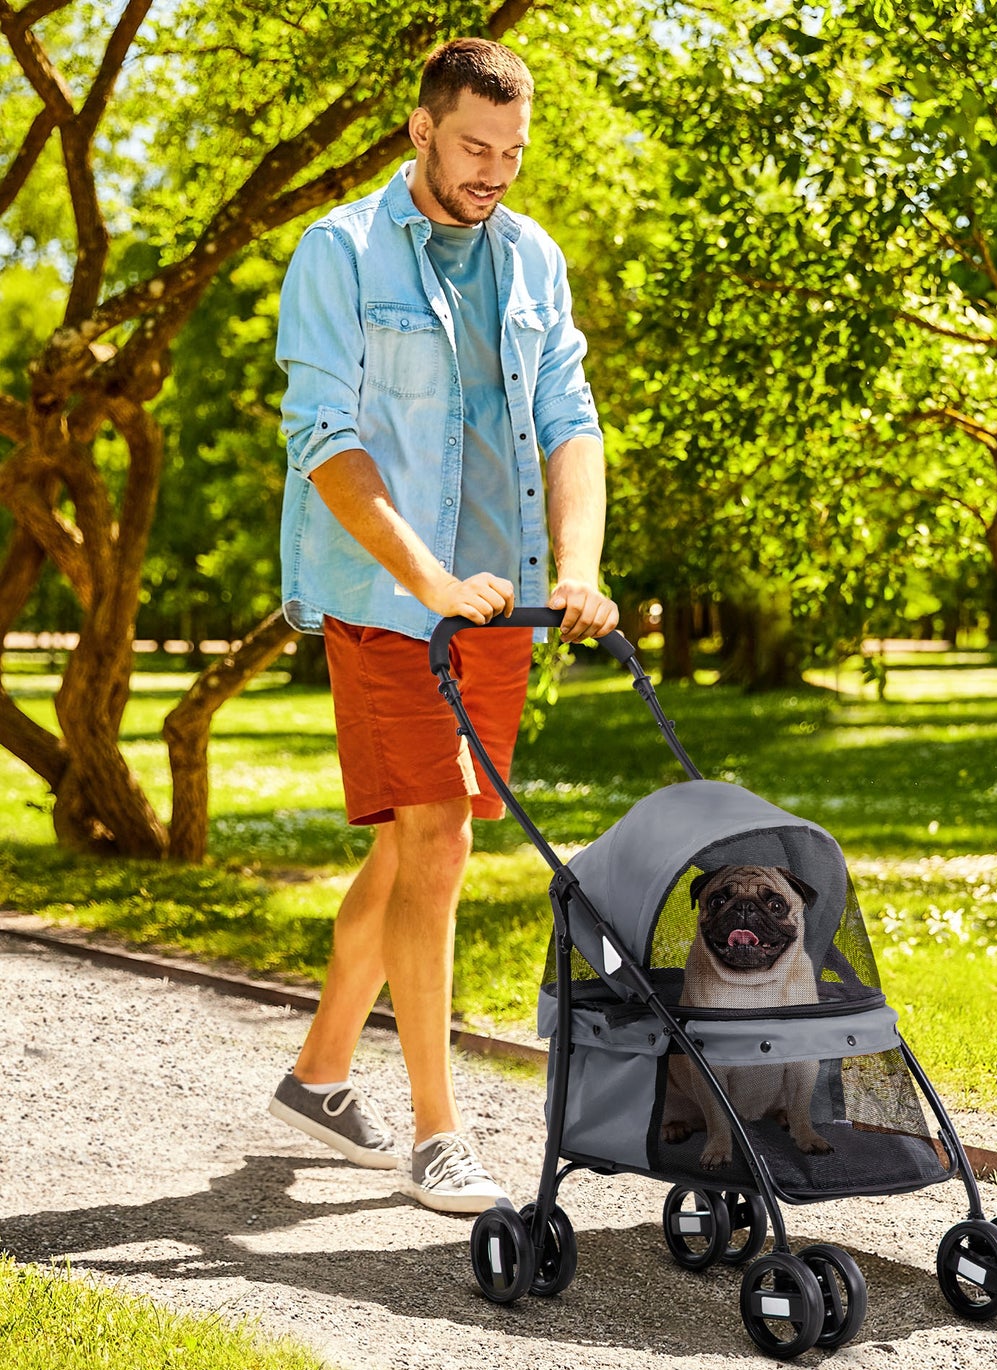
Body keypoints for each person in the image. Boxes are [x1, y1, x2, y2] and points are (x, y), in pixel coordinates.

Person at [267, 37, 619, 1213]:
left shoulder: (529, 260)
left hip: (500, 605)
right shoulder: (342, 252)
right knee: (442, 843)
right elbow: (323, 436)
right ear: (421, 129)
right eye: (475, 146)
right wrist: (424, 578)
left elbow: (569, 415)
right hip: (386, 602)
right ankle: (437, 1128)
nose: (494, 172)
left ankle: (320, 1072)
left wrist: (576, 567)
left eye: (513, 152)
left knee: (415, 840)